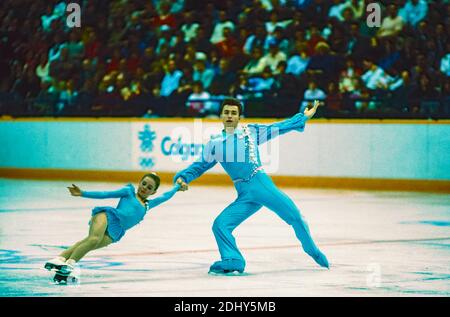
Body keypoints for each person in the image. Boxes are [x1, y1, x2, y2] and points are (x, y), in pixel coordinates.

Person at [174, 98, 329, 274]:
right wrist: (183, 178)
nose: (230, 116)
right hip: (244, 194)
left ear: (240, 116)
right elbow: (199, 166)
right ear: (221, 115)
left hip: (260, 185)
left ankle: (313, 252)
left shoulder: (250, 132)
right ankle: (233, 260)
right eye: (226, 112)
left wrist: (302, 118)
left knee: (295, 217)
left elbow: (278, 127)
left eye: (233, 113)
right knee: (220, 225)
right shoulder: (214, 143)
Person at [44, 173, 187, 282]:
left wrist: (177, 187)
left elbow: (166, 196)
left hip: (116, 231)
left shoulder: (148, 205)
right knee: (93, 239)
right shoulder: (129, 191)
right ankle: (68, 264)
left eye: (149, 187)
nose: (145, 188)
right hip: (107, 217)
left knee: (88, 243)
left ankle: (61, 260)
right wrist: (82, 193)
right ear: (140, 183)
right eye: (144, 184)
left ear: (153, 192)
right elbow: (106, 194)